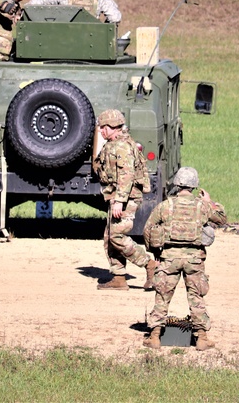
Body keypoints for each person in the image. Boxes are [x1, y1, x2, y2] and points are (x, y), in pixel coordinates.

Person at [141, 166, 227, 351]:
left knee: (162, 296)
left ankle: (155, 336)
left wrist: (155, 252)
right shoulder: (202, 206)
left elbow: (148, 229)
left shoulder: (165, 206)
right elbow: (221, 218)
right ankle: (202, 338)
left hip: (169, 258)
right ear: (194, 186)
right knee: (196, 297)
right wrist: (210, 202)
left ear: (177, 184)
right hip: (194, 260)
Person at [93, 108, 156, 291]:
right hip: (116, 196)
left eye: (104, 127)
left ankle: (149, 265)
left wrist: (120, 201)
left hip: (126, 198)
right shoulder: (114, 143)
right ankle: (118, 277)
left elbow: (126, 176)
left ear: (113, 127)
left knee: (117, 236)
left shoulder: (122, 147)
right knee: (109, 237)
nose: (101, 131)